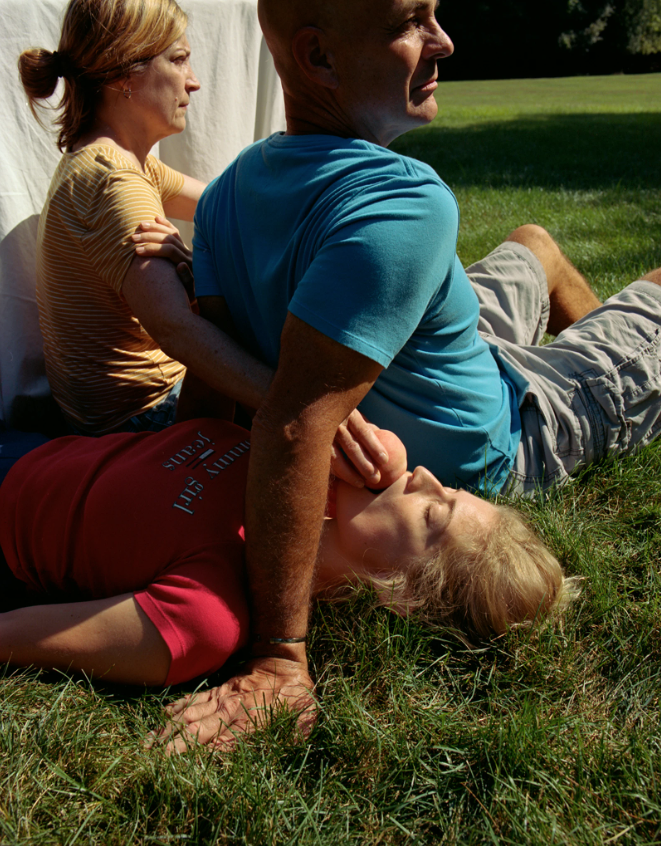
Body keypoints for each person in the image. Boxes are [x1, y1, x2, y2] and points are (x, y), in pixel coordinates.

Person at [167, 0, 661, 747]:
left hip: (435, 346)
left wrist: (166, 469)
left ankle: (569, 312)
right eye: (410, 23)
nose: (445, 40)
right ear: (319, 58)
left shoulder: (233, 189)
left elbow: (215, 386)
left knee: (529, 243)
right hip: (510, 426)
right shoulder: (404, 204)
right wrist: (279, 655)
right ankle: (583, 367)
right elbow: (297, 422)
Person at [0, 421, 572, 696]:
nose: (421, 475)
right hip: (36, 436)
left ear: (400, 593)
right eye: (445, 486)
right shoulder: (314, 469)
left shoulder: (207, 617)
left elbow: (12, 634)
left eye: (432, 514)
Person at [17, 0, 272, 436]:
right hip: (144, 419)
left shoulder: (120, 163)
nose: (193, 82)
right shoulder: (113, 181)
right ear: (121, 74)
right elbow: (177, 331)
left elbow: (226, 207)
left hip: (119, 410)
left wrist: (196, 263)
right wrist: (294, 406)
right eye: (178, 60)